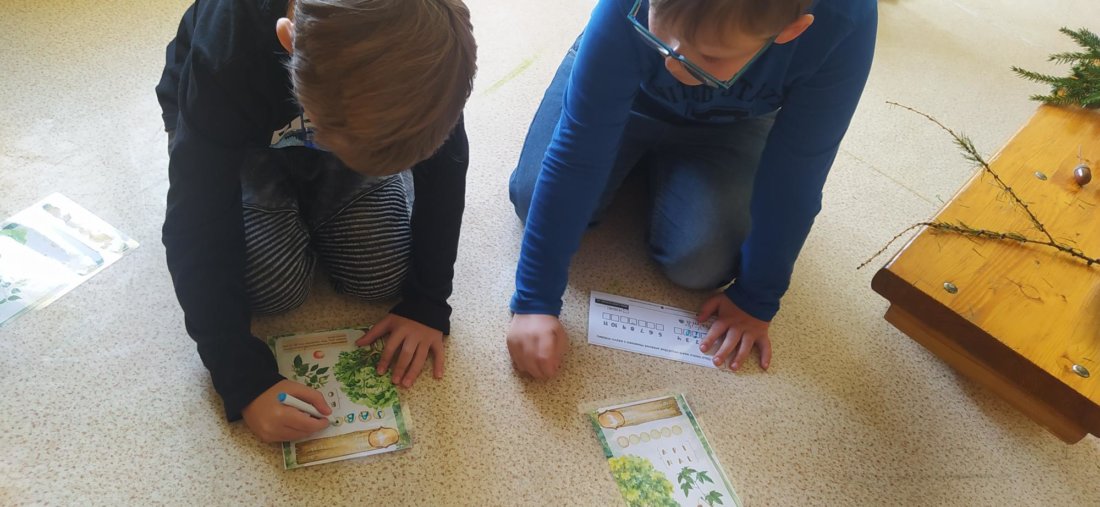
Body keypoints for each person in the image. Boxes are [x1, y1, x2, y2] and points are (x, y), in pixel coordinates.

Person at [156, 0, 476, 442]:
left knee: (381, 275)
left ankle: (358, 153)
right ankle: (333, 158)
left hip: (346, 121)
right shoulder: (225, 52)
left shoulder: (427, 52)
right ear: (287, 39)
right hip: (236, 141)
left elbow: (446, 165)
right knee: (272, 289)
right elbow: (196, 215)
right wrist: (242, 378)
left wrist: (428, 302)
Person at [507, 0, 876, 378]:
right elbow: (577, 152)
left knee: (702, 264)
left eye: (710, 56)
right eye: (661, 32)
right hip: (627, 84)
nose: (672, 63)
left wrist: (756, 299)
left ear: (790, 30)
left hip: (734, 122)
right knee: (534, 197)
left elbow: (795, 176)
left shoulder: (846, 19)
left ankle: (653, 164)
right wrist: (535, 300)